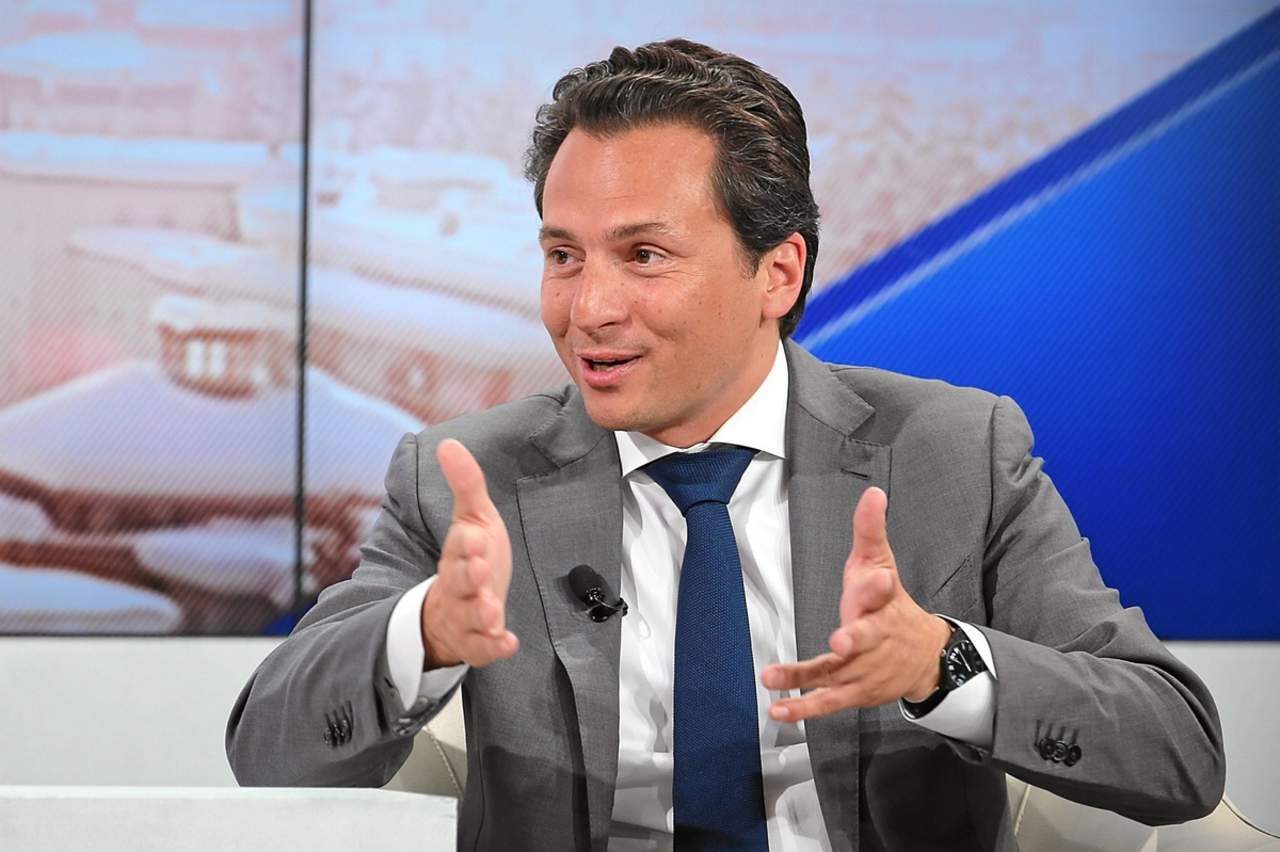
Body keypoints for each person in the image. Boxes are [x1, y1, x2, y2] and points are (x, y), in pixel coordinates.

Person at [227, 39, 1225, 851]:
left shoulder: (953, 452)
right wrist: (422, 634)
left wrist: (940, 664)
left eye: (643, 255)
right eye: (563, 255)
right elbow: (266, 752)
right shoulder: (469, 478)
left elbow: (1176, 751)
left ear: (776, 274)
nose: (587, 307)